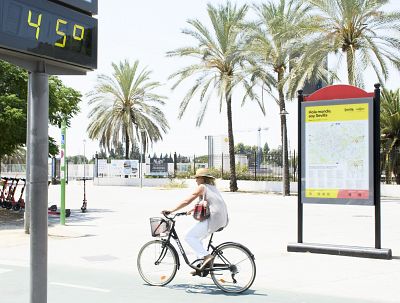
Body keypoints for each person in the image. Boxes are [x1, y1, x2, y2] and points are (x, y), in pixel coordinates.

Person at [162, 168, 229, 275]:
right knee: (197, 239)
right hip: (222, 219)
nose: (196, 180)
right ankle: (201, 266)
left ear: (202, 178)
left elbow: (187, 200)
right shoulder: (212, 187)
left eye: (197, 178)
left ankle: (207, 257)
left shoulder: (202, 187)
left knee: (188, 236)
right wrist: (193, 210)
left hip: (214, 219)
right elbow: (208, 202)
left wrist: (171, 210)